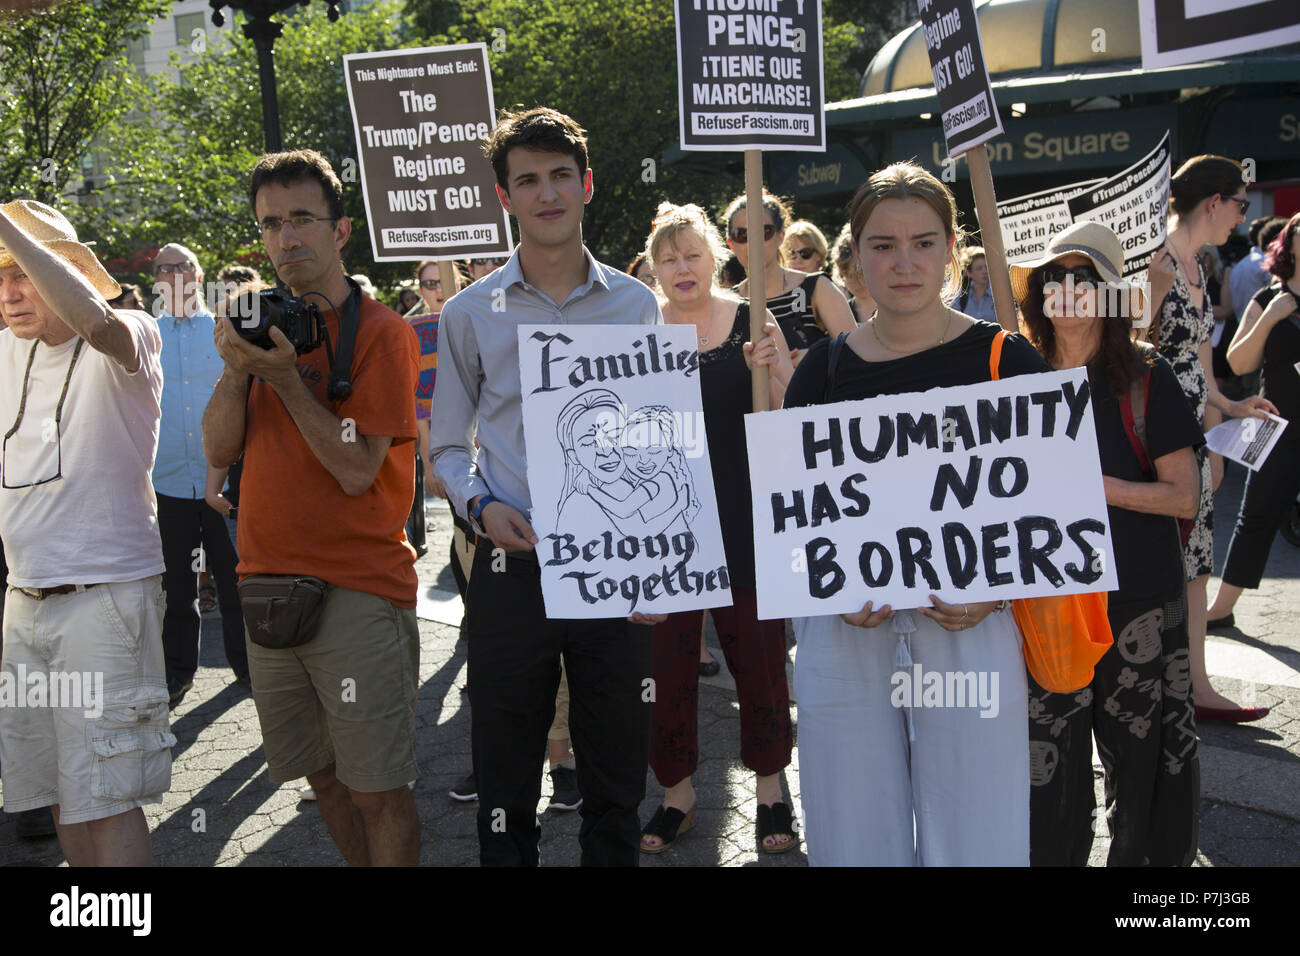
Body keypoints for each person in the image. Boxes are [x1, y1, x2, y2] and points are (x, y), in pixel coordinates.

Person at [782, 162, 1048, 866]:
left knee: (977, 823)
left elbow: (1046, 512)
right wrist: (829, 588)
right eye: (883, 245)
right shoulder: (822, 370)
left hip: (971, 624)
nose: (904, 263)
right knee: (851, 824)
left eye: (924, 243)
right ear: (856, 254)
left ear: (952, 248)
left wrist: (996, 592)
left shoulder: (1007, 360)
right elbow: (798, 518)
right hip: (848, 633)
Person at [430, 106, 665, 866]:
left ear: (587, 184)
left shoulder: (637, 304)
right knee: (504, 772)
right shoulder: (468, 313)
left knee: (616, 773)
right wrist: (481, 506)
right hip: (510, 565)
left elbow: (656, 443)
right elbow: (443, 448)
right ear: (505, 196)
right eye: (527, 180)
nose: (547, 193)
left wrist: (663, 560)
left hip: (615, 568)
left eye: (560, 175)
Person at [202, 148, 422, 866]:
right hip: (265, 584)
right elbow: (218, 449)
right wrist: (240, 370)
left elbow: (358, 471)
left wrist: (289, 381)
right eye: (270, 224)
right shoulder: (262, 324)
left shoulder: (382, 333)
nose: (286, 238)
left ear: (341, 230)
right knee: (321, 777)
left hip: (357, 589)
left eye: (301, 218)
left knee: (377, 789)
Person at [1015, 220, 1204, 866]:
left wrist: (1092, 488)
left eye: (1083, 277)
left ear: (1109, 294)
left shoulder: (1147, 379)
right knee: (1049, 771)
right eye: (1053, 277)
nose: (1066, 289)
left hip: (1137, 605)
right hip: (1049, 607)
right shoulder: (1017, 376)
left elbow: (1184, 496)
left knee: (1144, 766)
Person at [0, 199, 173, 866]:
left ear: (66, 270)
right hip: (24, 601)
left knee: (108, 795)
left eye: (22, 270)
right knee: (61, 795)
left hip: (106, 599)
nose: (11, 291)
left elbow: (97, 324)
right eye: (0, 276)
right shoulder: (9, 348)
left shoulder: (131, 329)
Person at [632, 201, 798, 855]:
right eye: (668, 258)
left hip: (745, 520)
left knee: (758, 659)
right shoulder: (639, 331)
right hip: (665, 531)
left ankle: (771, 791)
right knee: (665, 665)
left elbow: (798, 413)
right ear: (653, 267)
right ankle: (675, 794)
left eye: (691, 254)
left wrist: (776, 369)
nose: (681, 268)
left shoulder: (754, 322)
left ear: (716, 259)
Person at [1145, 155, 1275, 720]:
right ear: (1214, 201)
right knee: (1157, 562)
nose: (1241, 219)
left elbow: (1203, 365)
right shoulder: (1153, 259)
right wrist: (1151, 290)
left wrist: (1226, 413)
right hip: (1150, 436)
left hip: (1190, 437)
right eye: (1241, 205)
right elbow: (1125, 346)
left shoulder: (1199, 264)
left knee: (1197, 565)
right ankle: (1157, 682)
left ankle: (1197, 684)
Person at [149, 243, 249, 710]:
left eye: (182, 265)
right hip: (167, 481)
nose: (173, 274)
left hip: (225, 482)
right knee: (178, 589)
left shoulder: (224, 331)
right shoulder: (148, 335)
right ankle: (178, 674)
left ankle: (248, 672)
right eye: (163, 268)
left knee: (234, 582)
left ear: (198, 272)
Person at [1208, 212, 1300, 666]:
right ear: (1290, 246)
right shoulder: (1269, 298)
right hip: (1279, 426)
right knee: (1257, 515)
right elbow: (1239, 363)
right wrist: (1272, 318)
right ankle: (1221, 609)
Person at [723, 191, 855, 366]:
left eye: (764, 232)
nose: (753, 242)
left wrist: (815, 357)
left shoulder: (816, 287)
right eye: (742, 234)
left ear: (780, 236)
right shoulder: (728, 303)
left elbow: (856, 350)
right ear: (730, 243)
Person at [830, 222, 876, 322]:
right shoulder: (839, 314)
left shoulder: (893, 308)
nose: (857, 282)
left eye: (861, 274)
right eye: (850, 276)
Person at [953, 246, 997, 322]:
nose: (985, 272)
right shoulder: (961, 296)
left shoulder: (998, 294)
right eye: (979, 268)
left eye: (987, 267)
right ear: (968, 272)